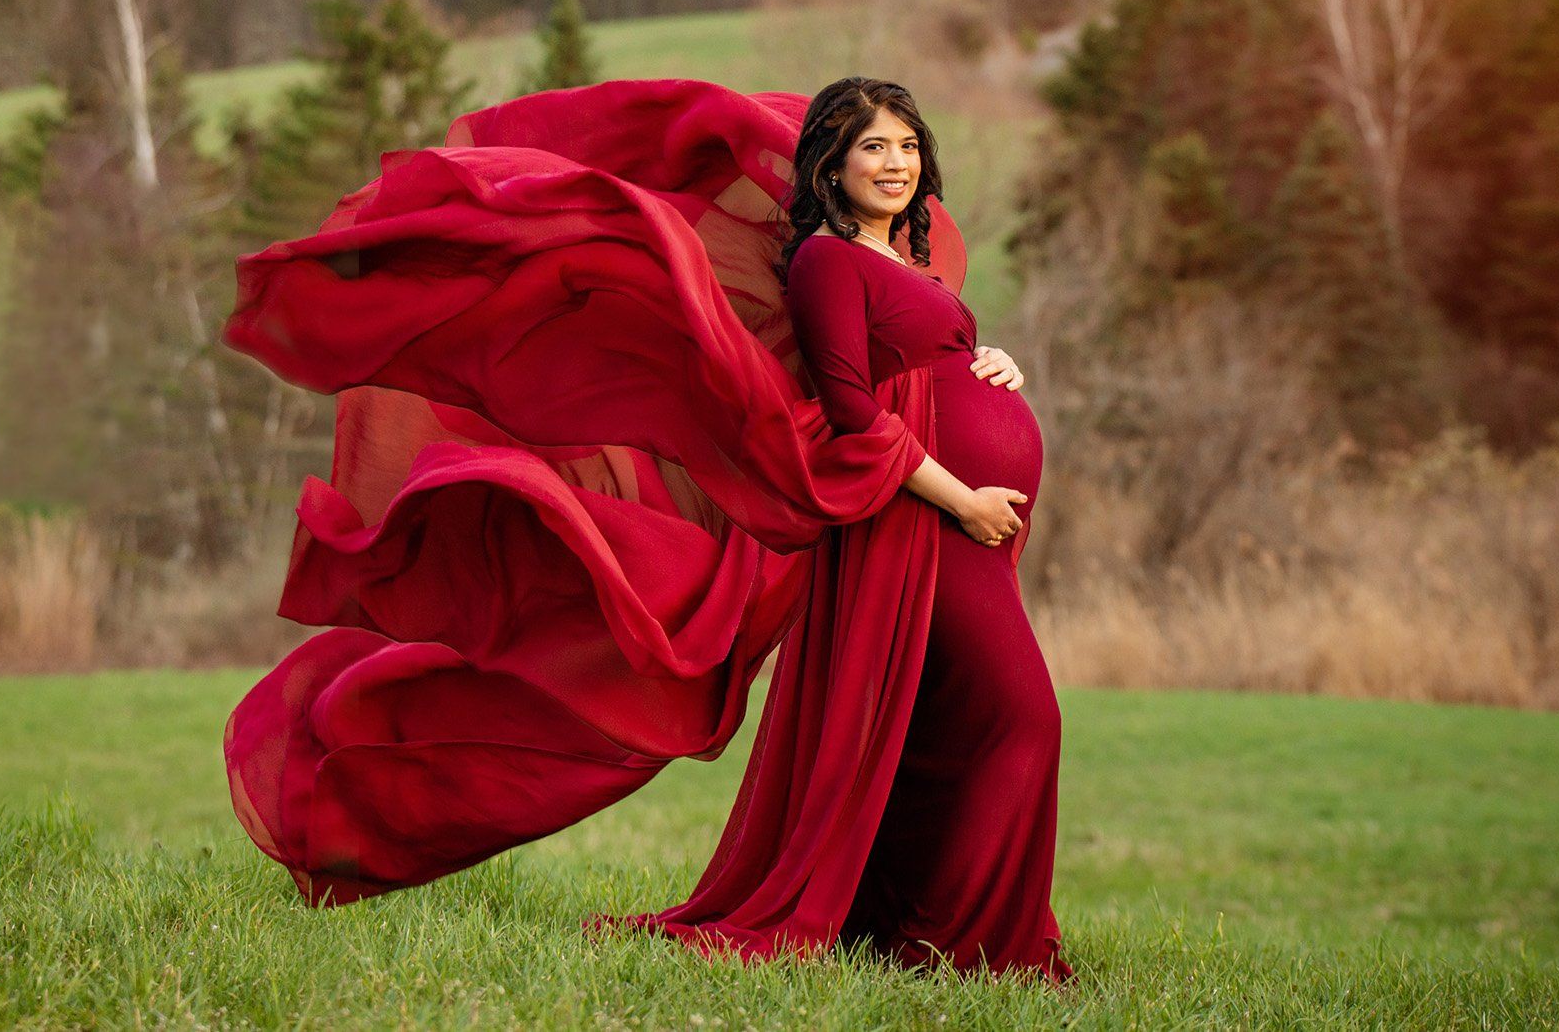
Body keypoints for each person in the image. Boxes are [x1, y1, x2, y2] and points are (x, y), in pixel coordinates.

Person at [217, 74, 1072, 987]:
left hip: (946, 526)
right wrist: (966, 499)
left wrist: (987, 357)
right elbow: (854, 411)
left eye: (906, 144)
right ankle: (987, 946)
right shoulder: (827, 261)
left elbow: (918, 362)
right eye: (872, 146)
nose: (894, 162)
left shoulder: (907, 261)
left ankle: (922, 932)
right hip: (918, 527)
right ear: (830, 161)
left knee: (932, 726)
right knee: (1024, 718)